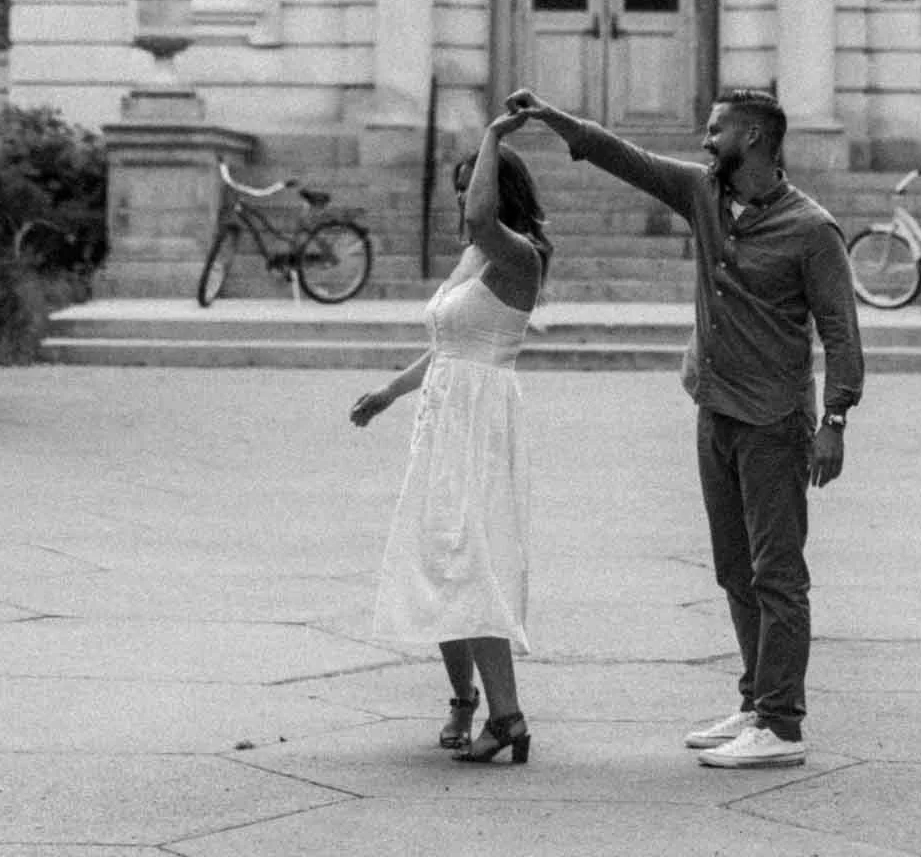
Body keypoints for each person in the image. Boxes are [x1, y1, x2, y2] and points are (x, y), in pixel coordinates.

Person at [505, 84, 863, 770]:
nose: (706, 140)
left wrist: (836, 418)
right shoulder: (703, 194)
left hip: (774, 420)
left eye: (716, 129)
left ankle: (782, 727)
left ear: (753, 138)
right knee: (735, 569)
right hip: (716, 409)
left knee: (778, 573)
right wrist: (555, 120)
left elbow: (841, 332)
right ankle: (757, 701)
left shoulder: (812, 230)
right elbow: (627, 158)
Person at [350, 111, 551, 766]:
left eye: (475, 185)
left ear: (501, 191)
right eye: (460, 185)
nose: (464, 199)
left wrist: (492, 134)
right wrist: (386, 394)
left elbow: (479, 222)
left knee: (473, 558)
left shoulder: (518, 255)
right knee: (439, 555)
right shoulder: (472, 256)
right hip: (443, 417)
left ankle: (509, 715)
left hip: (482, 422)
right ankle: (470, 703)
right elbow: (446, 345)